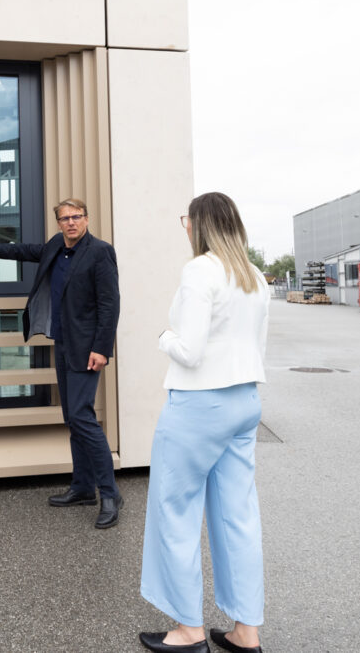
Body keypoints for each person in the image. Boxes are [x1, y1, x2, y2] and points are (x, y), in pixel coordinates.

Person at [137, 192, 269, 653]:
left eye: (186, 221)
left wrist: (163, 337)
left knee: (175, 512)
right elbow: (255, 346)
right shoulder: (254, 275)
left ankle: (189, 631)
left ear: (202, 225)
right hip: (245, 402)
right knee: (238, 517)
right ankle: (245, 632)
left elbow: (190, 351)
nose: (185, 229)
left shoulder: (200, 270)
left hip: (198, 407)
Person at [0, 198, 123, 529]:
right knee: (73, 418)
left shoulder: (100, 252)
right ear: (59, 223)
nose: (71, 223)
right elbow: (27, 251)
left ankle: (110, 493)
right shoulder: (54, 246)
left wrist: (102, 349)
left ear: (86, 219)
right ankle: (82, 488)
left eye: (76, 217)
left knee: (82, 416)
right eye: (65, 218)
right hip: (62, 343)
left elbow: (110, 303)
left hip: (87, 348)